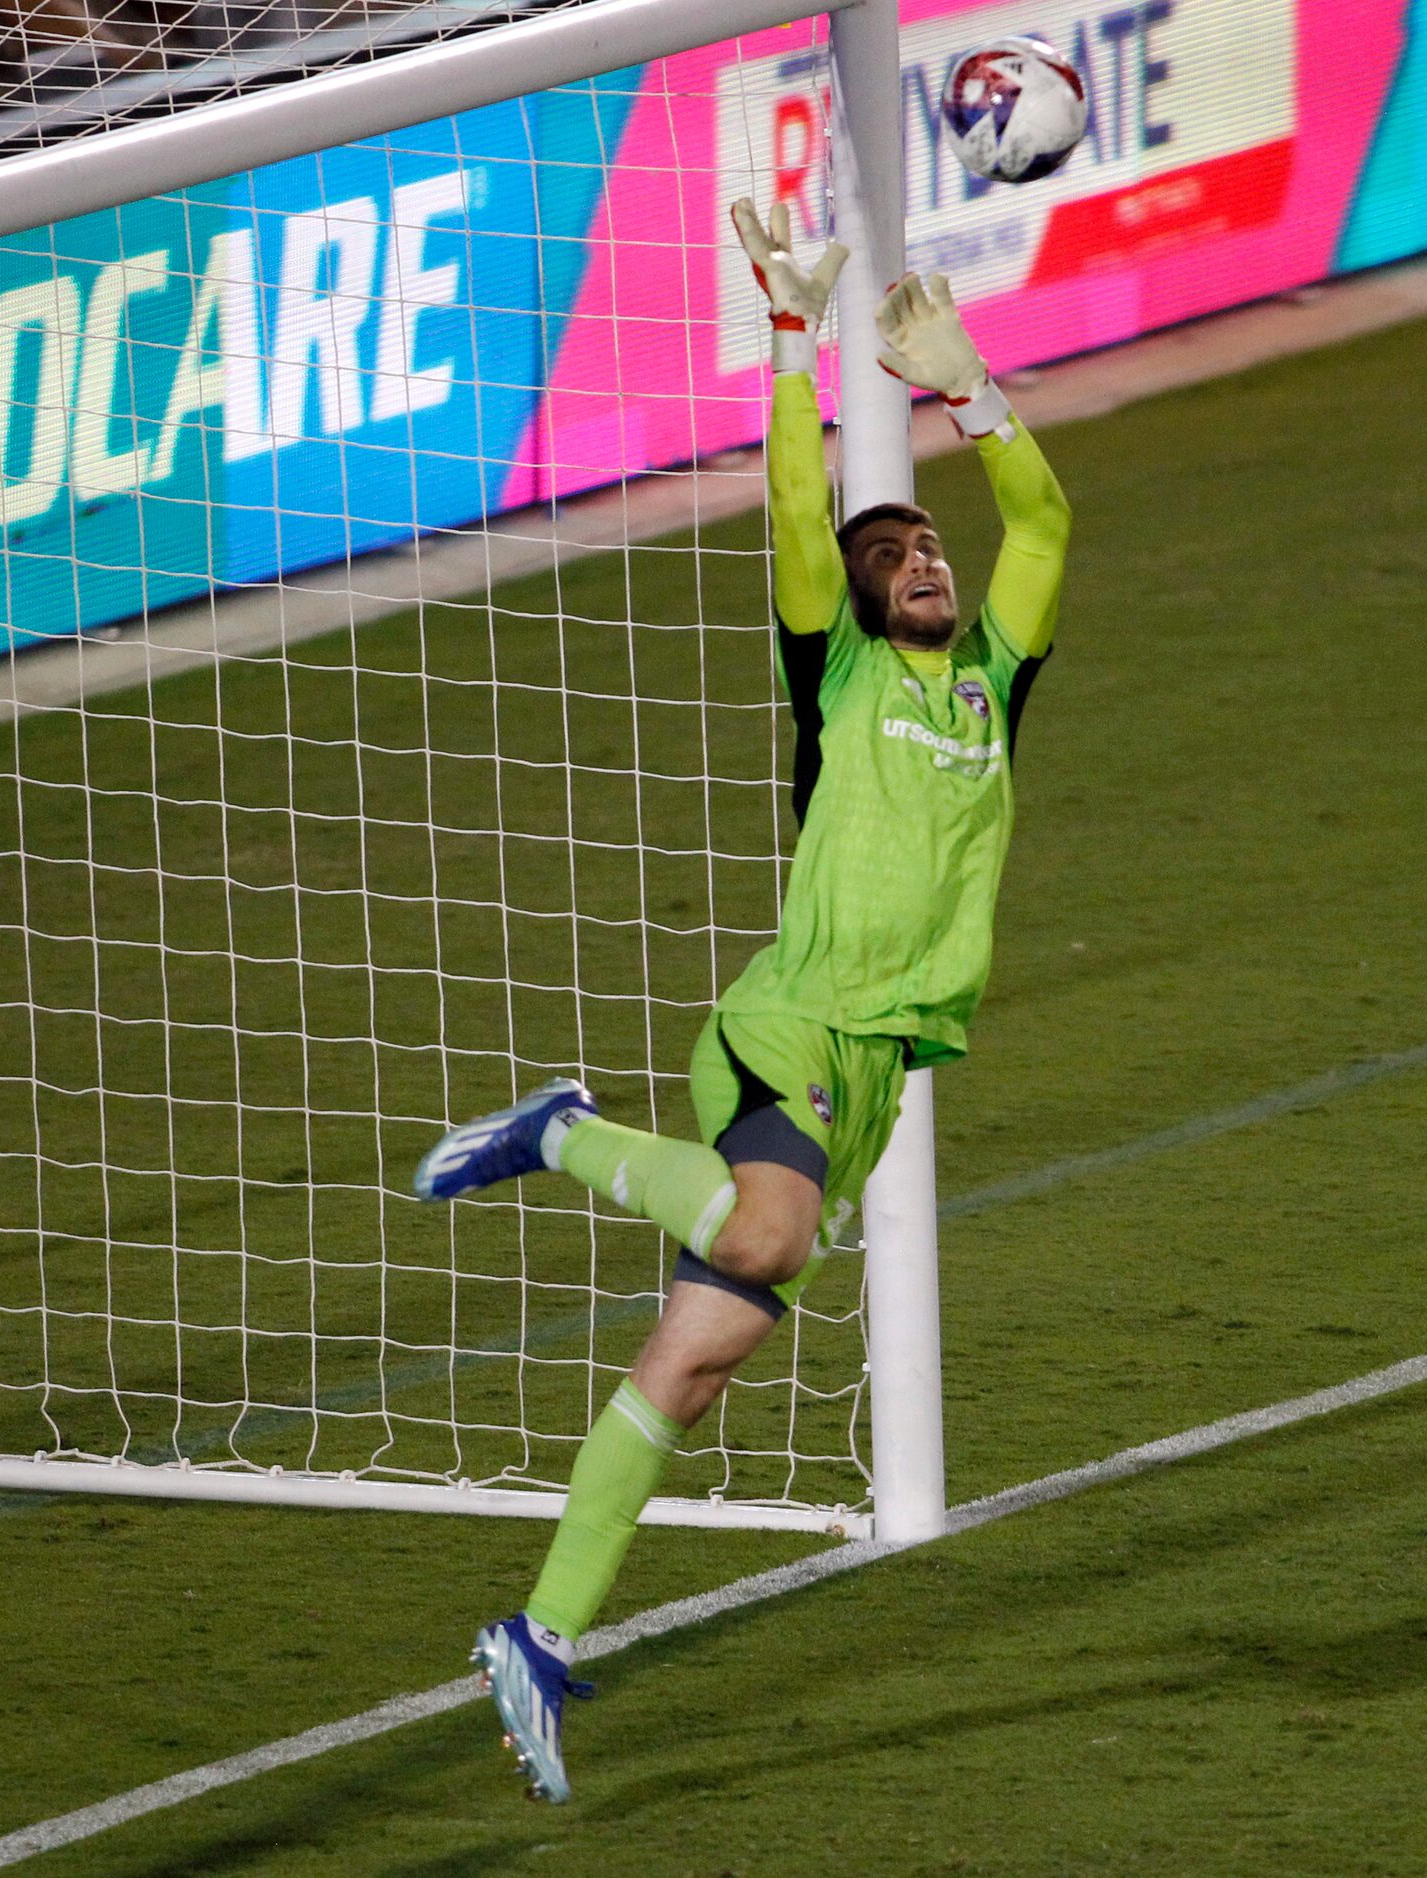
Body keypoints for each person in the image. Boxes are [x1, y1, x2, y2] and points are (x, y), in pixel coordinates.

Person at [413, 197, 1071, 1803]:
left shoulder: (991, 682)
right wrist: (797, 347)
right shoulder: (839, 678)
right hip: (784, 1035)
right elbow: (795, 511)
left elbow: (1043, 530)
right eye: (892, 556)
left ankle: (540, 1636)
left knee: (694, 1362)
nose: (921, 562)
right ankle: (565, 1134)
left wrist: (968, 390)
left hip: (873, 1079)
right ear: (849, 609)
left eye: (926, 550)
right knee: (764, 1238)